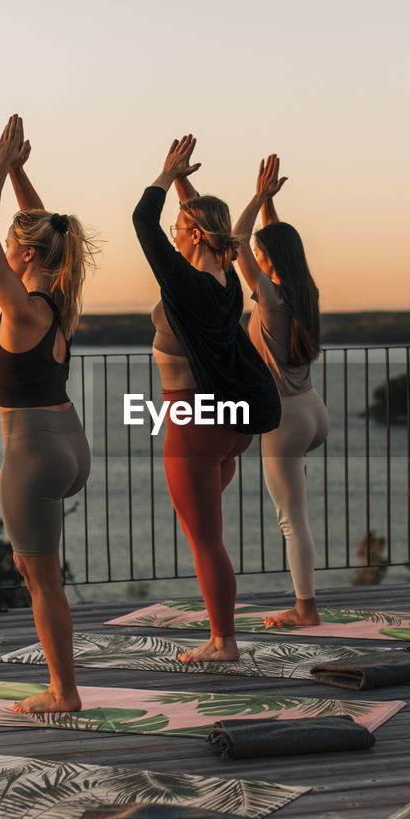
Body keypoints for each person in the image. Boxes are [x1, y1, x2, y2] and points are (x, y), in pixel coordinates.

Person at [133, 135, 281, 662]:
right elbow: (210, 230)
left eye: (180, 232)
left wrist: (161, 175)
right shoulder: (222, 281)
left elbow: (141, 222)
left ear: (194, 235)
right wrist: (182, 183)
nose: (172, 238)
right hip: (227, 424)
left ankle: (223, 642)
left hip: (194, 422)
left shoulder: (187, 284)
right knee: (205, 532)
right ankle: (222, 634)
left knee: (205, 541)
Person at [0, 114, 95, 714]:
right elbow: (55, 234)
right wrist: (21, 173)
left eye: (16, 242)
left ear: (22, 250)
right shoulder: (59, 301)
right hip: (69, 440)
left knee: (43, 580)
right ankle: (60, 682)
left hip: (32, 450)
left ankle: (62, 692)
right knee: (31, 564)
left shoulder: (20, 311)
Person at [177, 155, 327, 627]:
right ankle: (303, 603)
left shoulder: (268, 293)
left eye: (262, 256)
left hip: (283, 420)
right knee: (292, 510)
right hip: (313, 412)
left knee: (291, 520)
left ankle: (306, 609)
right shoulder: (302, 290)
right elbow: (260, 243)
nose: (253, 259)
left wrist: (260, 198)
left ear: (268, 262)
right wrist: (270, 209)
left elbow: (234, 241)